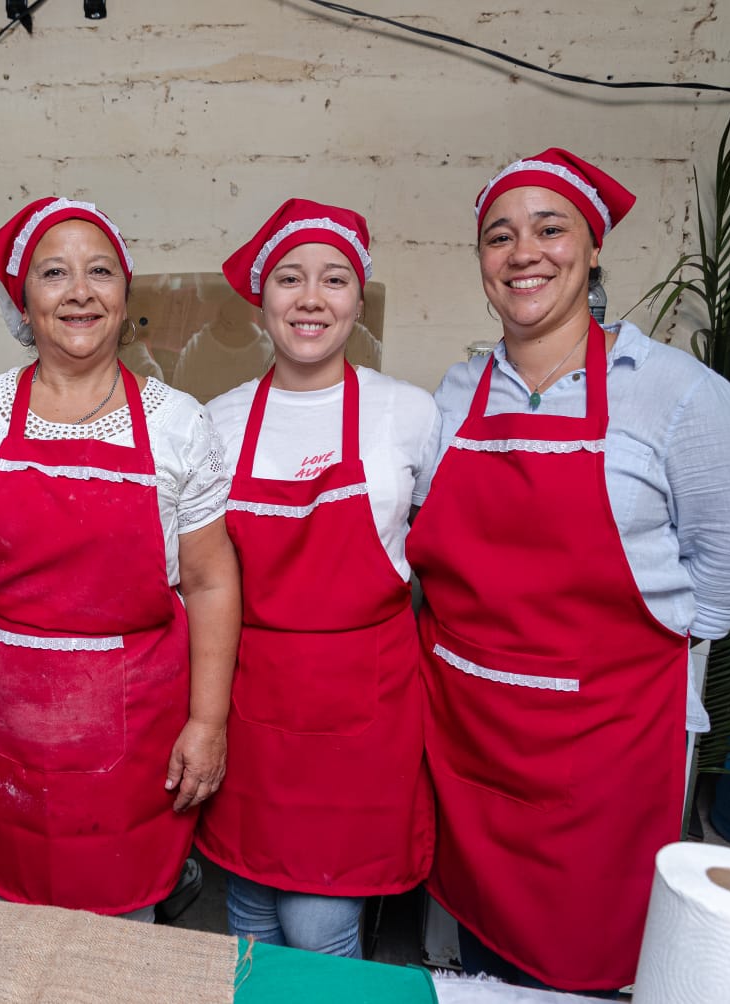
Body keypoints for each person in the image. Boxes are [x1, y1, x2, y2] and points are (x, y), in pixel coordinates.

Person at [406, 149, 730, 992]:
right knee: (484, 954)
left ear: (593, 247)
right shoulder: (457, 393)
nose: (523, 253)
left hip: (605, 742)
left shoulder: (678, 395)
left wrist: (641, 653)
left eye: (550, 229)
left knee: (581, 959)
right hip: (472, 729)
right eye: (499, 236)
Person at [0, 197, 241, 920]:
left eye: (99, 272)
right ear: (23, 300)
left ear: (125, 296)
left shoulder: (177, 422)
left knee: (121, 936)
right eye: (54, 273)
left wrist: (207, 723)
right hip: (2, 724)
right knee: (9, 923)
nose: (79, 291)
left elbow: (210, 581)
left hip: (134, 734)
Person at [197, 199, 439, 957]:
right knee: (250, 908)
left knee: (318, 925)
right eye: (289, 278)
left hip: (363, 710)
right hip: (251, 701)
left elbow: (441, 553)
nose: (311, 298)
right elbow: (199, 575)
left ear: (358, 300)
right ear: (262, 299)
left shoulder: (410, 413)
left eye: (333, 280)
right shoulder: (218, 420)